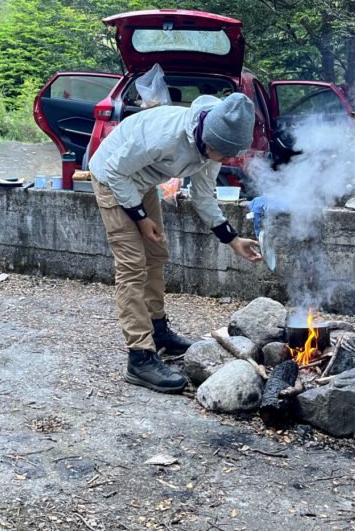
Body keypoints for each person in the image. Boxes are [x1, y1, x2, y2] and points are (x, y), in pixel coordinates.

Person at [89, 92, 263, 394]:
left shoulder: (212, 143)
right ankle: (140, 358)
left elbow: (203, 196)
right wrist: (141, 218)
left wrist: (232, 239)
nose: (223, 160)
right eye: (221, 154)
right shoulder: (165, 136)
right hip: (111, 176)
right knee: (132, 266)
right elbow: (115, 171)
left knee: (156, 255)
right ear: (208, 139)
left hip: (139, 182)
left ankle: (158, 332)